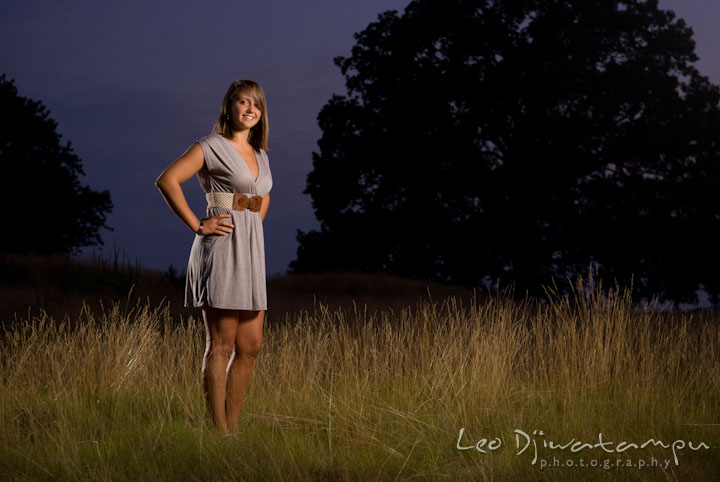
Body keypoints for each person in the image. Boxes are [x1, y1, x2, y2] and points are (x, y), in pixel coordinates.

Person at [155, 79, 272, 434]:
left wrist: (252, 223)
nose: (250, 109)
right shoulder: (210, 146)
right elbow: (168, 180)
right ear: (229, 107)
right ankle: (218, 430)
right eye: (243, 102)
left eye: (257, 104)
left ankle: (233, 428)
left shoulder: (262, 153)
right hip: (221, 248)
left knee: (250, 345)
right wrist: (199, 224)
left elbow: (261, 197)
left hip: (251, 251)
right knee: (221, 343)